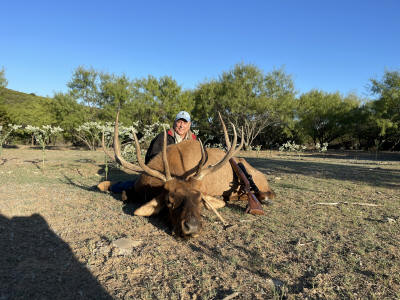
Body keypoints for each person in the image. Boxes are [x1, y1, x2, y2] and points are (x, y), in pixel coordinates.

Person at [97, 111, 196, 193]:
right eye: (179, 122)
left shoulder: (194, 141)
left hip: (185, 176)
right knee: (140, 187)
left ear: (189, 124)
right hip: (162, 174)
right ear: (174, 123)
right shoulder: (163, 137)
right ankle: (112, 186)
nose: (181, 125)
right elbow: (152, 159)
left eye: (185, 122)